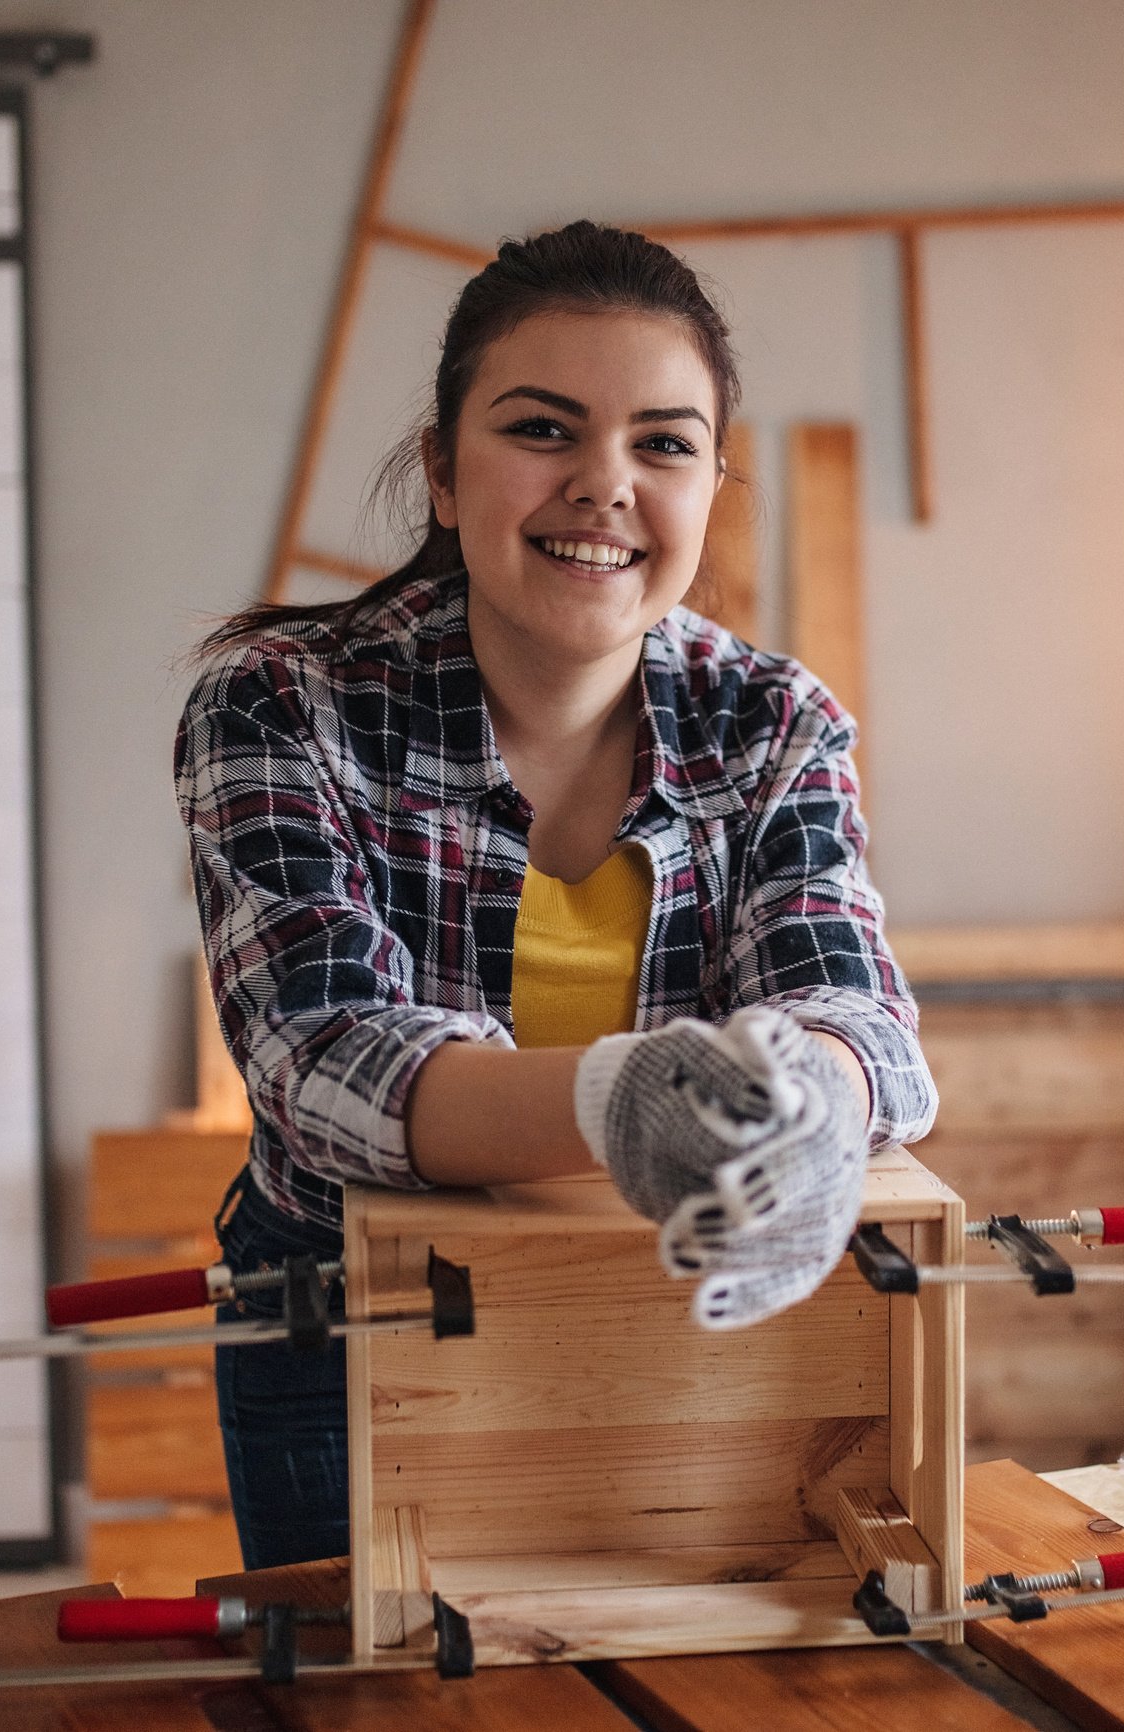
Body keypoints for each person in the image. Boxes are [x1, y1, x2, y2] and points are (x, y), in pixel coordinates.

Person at [175, 221, 937, 1569]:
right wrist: (622, 1097)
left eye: (662, 442)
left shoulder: (772, 722)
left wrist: (818, 1098)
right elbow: (321, 1062)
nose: (604, 486)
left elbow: (852, 1007)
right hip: (345, 1323)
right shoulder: (281, 702)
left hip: (666, 1316)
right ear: (444, 476)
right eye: (543, 429)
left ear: (708, 486)